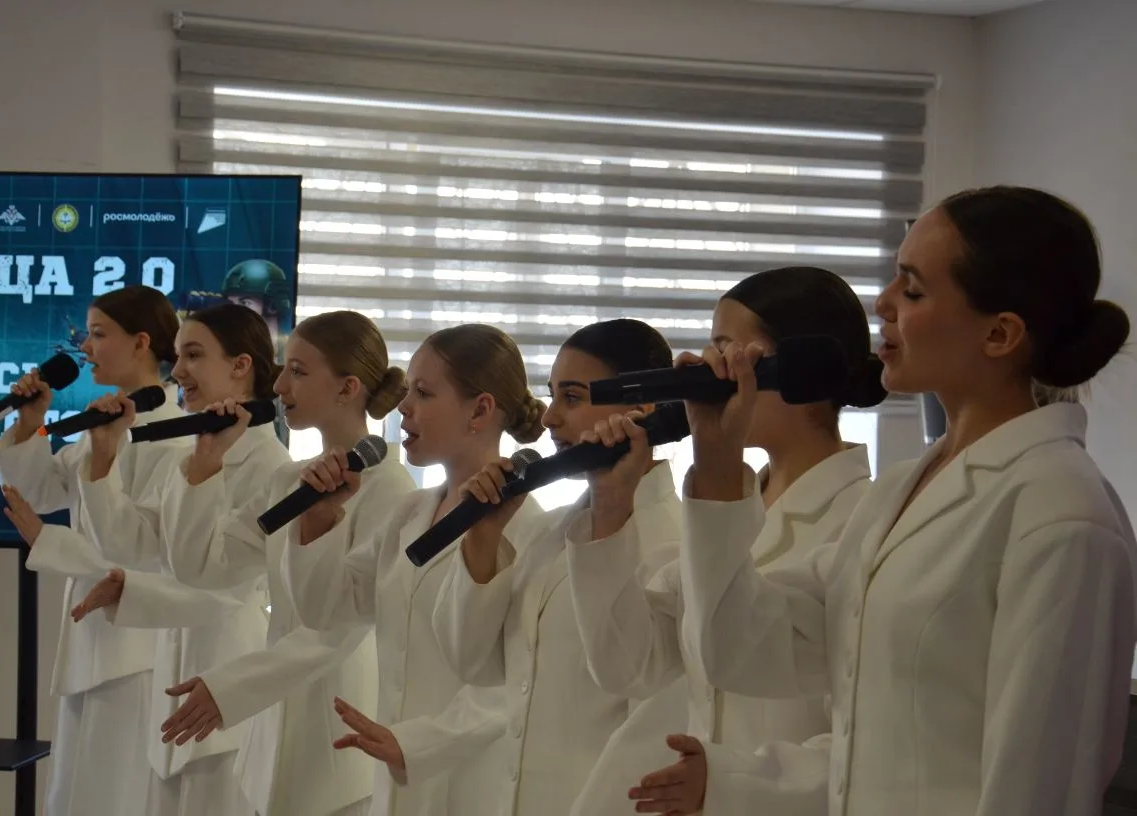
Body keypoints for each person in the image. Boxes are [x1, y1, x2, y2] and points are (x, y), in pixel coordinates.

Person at [671, 186, 1135, 815]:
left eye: (912, 291)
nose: (882, 304)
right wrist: (718, 462)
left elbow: (1039, 789)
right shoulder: (899, 494)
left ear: (999, 333)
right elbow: (743, 648)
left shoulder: (1060, 514)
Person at [564, 268, 886, 816]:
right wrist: (611, 505)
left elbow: (873, 740)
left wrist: (736, 780)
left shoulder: (864, 520)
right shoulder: (724, 507)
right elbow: (627, 666)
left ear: (797, 367)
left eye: (727, 349)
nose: (708, 368)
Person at [74, 310, 414, 816]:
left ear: (347, 388)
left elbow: (340, 629)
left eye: (297, 371)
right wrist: (206, 462)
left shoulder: (391, 489)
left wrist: (231, 688)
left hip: (335, 743)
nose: (278, 385)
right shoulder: (290, 481)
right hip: (269, 742)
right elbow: (202, 569)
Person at [277, 323, 549, 816]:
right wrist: (319, 519)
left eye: (423, 393)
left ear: (479, 411)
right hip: (396, 778)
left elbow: (520, 682)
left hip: (474, 783)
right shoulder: (408, 514)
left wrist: (418, 743)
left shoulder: (532, 532)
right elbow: (326, 611)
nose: (403, 407)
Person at [431, 318, 686, 816]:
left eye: (572, 397)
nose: (549, 418)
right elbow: (474, 664)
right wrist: (484, 536)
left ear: (642, 408)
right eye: (551, 396)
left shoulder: (674, 541)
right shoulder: (549, 532)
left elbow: (653, 740)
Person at [59, 303, 291, 816]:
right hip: (172, 690)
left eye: (194, 355)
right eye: (179, 355)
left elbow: (226, 585)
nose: (178, 369)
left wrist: (133, 590)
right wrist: (103, 456)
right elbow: (130, 543)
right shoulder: (193, 452)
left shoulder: (270, 466)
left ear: (240, 366)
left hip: (227, 684)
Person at [0, 285, 187, 816]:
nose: (86, 348)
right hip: (92, 639)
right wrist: (31, 423)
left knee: (114, 792)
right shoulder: (105, 422)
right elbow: (46, 490)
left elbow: (146, 556)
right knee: (78, 789)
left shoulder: (170, 436)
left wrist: (50, 543)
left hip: (136, 648)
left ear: (141, 342)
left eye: (99, 334)